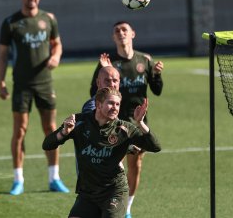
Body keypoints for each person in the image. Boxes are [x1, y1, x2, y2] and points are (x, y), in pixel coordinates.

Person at [0, 0, 68, 195]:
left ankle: (54, 177)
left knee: (51, 129)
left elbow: (57, 45)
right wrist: (1, 81)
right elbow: (2, 55)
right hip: (22, 85)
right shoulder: (11, 23)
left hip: (45, 83)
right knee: (20, 131)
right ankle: (18, 179)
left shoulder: (49, 19)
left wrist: (56, 56)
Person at [43, 87, 161, 218]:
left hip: (114, 192)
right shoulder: (79, 122)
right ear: (98, 104)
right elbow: (47, 144)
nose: (115, 108)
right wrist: (64, 132)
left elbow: (155, 146)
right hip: (88, 194)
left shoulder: (124, 128)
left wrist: (140, 123)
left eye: (117, 104)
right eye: (110, 103)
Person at [89, 21, 164, 218]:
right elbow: (93, 93)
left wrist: (156, 75)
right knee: (113, 166)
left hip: (138, 122)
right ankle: (111, 203)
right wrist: (103, 71)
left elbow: (157, 91)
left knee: (135, 165)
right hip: (114, 124)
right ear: (113, 37)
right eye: (117, 31)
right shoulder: (108, 62)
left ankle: (127, 208)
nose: (121, 33)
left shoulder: (145, 59)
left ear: (133, 34)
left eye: (124, 30)